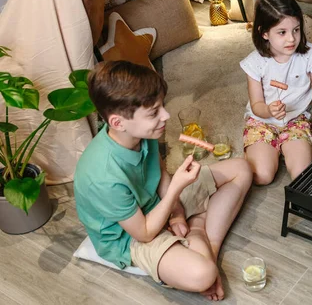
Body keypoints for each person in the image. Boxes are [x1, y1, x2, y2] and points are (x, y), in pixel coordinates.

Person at [74, 61, 252, 301]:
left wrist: (177, 213)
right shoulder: (103, 177)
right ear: (118, 122)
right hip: (131, 236)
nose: (166, 116)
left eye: (161, 107)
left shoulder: (141, 132)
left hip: (159, 203)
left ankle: (204, 240)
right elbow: (145, 233)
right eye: (154, 112)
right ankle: (200, 237)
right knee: (204, 274)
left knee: (241, 167)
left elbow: (159, 175)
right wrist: (177, 189)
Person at [240, 0, 312, 185]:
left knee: (302, 175)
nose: (291, 39)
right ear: (264, 33)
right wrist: (268, 110)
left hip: (296, 121)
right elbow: (257, 103)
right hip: (262, 121)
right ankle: (268, 152)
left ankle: (287, 149)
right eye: (282, 32)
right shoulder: (255, 62)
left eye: (296, 30)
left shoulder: (311, 57)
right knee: (262, 176)